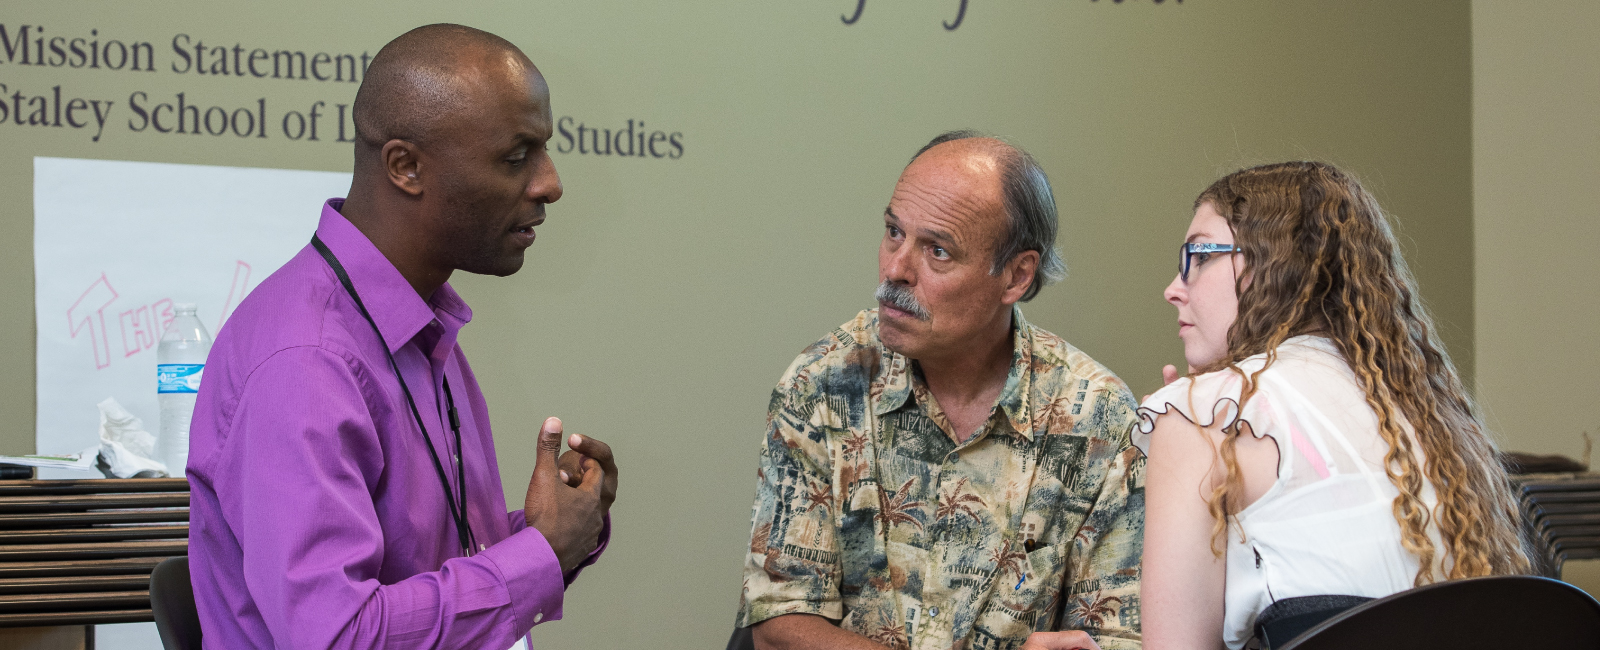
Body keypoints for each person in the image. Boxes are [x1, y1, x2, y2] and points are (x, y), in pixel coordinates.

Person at [186, 24, 618, 648]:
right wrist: (538, 555)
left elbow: (430, 572)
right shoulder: (308, 362)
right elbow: (338, 636)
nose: (549, 182)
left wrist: (560, 533)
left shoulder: (418, 326)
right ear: (406, 167)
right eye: (516, 155)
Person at [737, 131, 1146, 650]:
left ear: (1017, 276)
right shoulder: (823, 382)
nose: (895, 269)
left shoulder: (1099, 418)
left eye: (937, 251)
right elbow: (780, 624)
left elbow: (1114, 636)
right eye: (892, 232)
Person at [1136, 162, 1528, 649]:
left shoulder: (1201, 414)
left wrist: (1183, 428)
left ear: (1272, 266)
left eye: (1199, 255)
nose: (1174, 288)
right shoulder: (1423, 415)